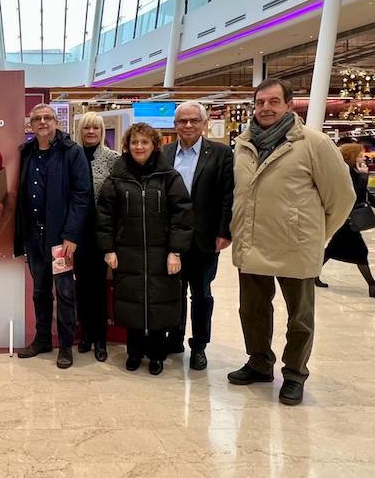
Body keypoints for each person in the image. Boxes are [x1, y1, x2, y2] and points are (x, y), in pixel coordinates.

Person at [228, 78, 355, 405]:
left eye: (273, 102)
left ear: (288, 105)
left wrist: (317, 235)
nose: (266, 108)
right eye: (260, 102)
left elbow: (342, 197)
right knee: (252, 310)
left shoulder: (314, 143)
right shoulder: (243, 144)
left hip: (295, 245)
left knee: (299, 316)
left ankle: (295, 374)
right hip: (252, 241)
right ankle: (259, 362)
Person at [96, 123, 193, 375]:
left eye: (144, 142)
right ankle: (134, 352)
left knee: (159, 304)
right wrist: (108, 249)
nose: (139, 147)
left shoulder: (169, 177)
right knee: (132, 303)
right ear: (127, 146)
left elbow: (182, 216)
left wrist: (175, 251)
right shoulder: (116, 178)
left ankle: (157, 354)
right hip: (127, 253)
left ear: (154, 145)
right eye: (134, 142)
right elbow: (104, 217)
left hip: (161, 254)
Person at [15, 104, 90, 369]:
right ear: (31, 125)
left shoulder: (72, 152)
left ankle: (66, 346)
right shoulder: (26, 153)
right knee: (40, 291)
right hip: (34, 236)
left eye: (48, 117)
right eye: (37, 118)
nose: (43, 122)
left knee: (65, 293)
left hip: (60, 239)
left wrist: (71, 234)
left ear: (56, 122)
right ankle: (43, 339)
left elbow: (82, 195)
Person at [162, 101, 234, 370]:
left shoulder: (220, 154)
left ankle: (199, 346)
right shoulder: (165, 153)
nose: (188, 125)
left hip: (205, 238)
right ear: (175, 125)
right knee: (174, 291)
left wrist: (224, 231)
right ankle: (175, 337)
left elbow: (228, 195)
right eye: (183, 121)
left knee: (201, 294)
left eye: (194, 120)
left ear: (205, 124)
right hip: (171, 238)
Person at [72, 112, 119, 361]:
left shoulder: (113, 159)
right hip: (78, 233)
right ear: (80, 131)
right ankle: (86, 335)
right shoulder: (72, 156)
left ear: (102, 132)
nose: (91, 132)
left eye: (96, 128)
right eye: (86, 128)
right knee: (81, 286)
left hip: (102, 233)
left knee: (99, 287)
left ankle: (100, 339)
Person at [315, 143, 375, 297]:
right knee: (361, 251)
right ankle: (372, 285)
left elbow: (365, 194)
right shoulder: (347, 172)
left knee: (332, 250)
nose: (363, 158)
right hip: (346, 218)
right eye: (360, 155)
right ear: (352, 156)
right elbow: (354, 194)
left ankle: (312, 274)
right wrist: (364, 176)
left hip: (347, 218)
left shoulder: (354, 171)